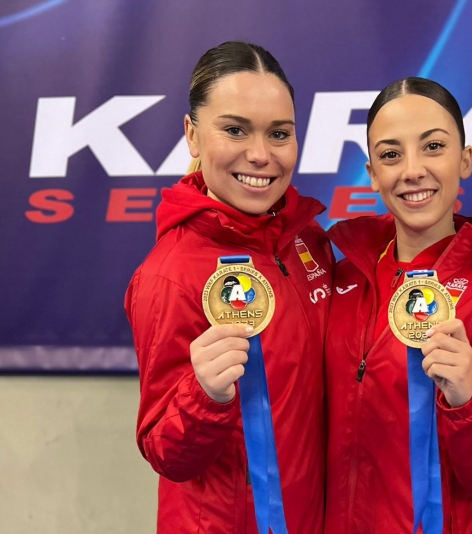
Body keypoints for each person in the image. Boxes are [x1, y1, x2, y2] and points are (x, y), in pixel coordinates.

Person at [125, 41, 332, 534]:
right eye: (235, 130)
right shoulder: (169, 274)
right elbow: (165, 452)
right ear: (193, 136)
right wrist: (205, 396)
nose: (260, 155)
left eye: (278, 134)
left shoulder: (308, 242)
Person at [323, 77, 472, 534]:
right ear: (372, 173)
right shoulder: (343, 278)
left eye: (433, 146)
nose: (412, 170)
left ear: (464, 160)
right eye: (391, 154)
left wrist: (464, 400)